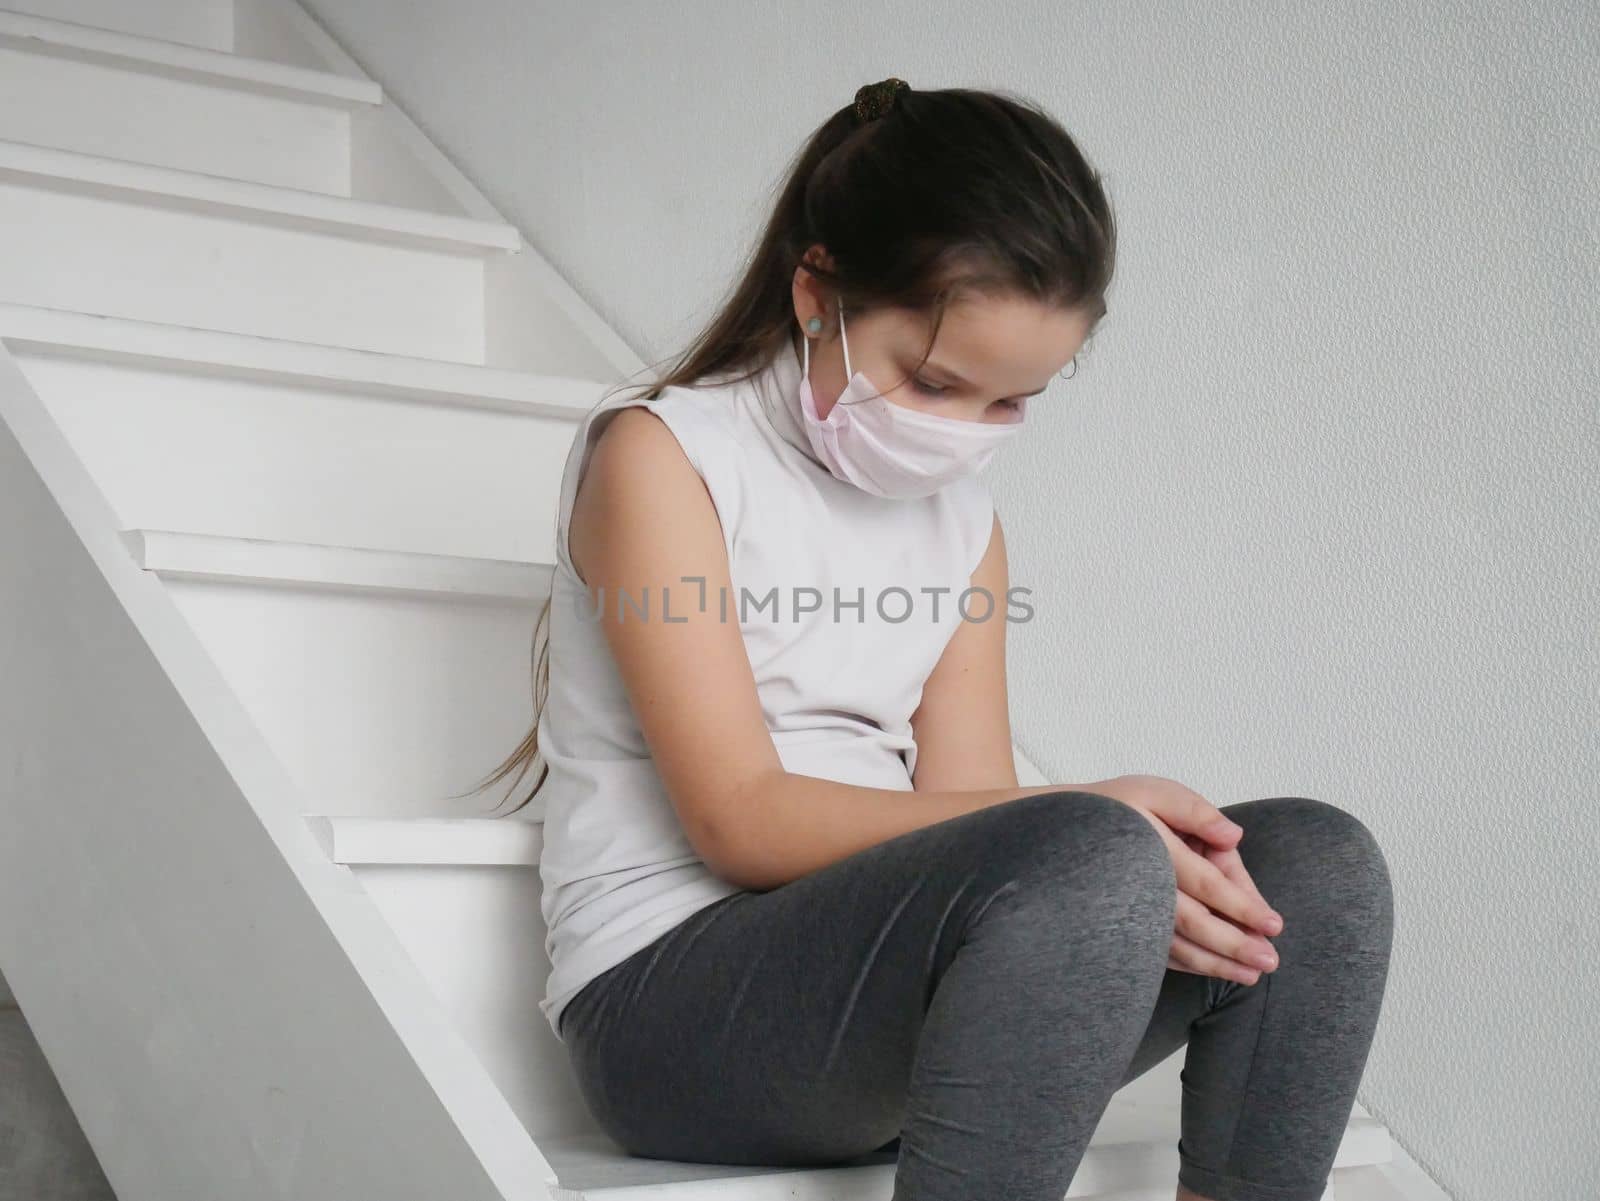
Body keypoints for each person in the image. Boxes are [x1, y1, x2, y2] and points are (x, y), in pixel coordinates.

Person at [471, 78, 1395, 1201]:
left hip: (895, 1006)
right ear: (818, 291)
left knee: (1315, 868)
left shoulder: (964, 525)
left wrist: (1100, 846)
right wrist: (1097, 823)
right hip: (671, 1008)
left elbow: (977, 816)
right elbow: (739, 819)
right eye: (934, 382)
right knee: (1090, 847)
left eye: (1008, 404)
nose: (961, 435)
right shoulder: (664, 458)